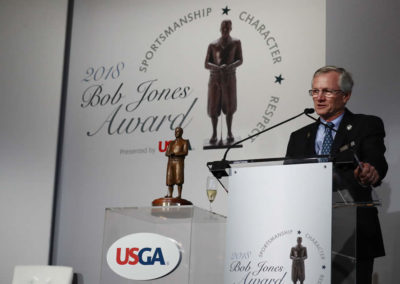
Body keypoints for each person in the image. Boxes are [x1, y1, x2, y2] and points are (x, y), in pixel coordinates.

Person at [286, 66, 388, 283]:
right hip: (309, 232)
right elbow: (289, 182)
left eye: (328, 91)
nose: (319, 98)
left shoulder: (365, 125)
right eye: (315, 91)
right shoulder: (298, 137)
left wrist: (370, 171)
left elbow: (376, 160)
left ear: (346, 96)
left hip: (353, 234)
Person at [205, 19, 243, 144]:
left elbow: (240, 60)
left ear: (231, 29)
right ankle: (214, 133)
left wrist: (229, 66)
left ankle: (229, 132)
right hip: (215, 78)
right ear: (220, 28)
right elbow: (206, 64)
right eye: (223, 28)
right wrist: (217, 67)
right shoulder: (212, 44)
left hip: (229, 78)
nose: (225, 30)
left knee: (230, 106)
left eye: (227, 28)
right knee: (213, 106)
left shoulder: (236, 43)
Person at [165, 127, 188, 199]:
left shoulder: (184, 142)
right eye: (175, 131)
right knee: (170, 179)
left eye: (177, 131)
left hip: (179, 162)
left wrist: (175, 153)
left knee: (179, 179)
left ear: (181, 132)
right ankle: (170, 195)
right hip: (171, 162)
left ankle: (179, 195)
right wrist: (170, 153)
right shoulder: (171, 143)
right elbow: (166, 153)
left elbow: (185, 152)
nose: (176, 133)